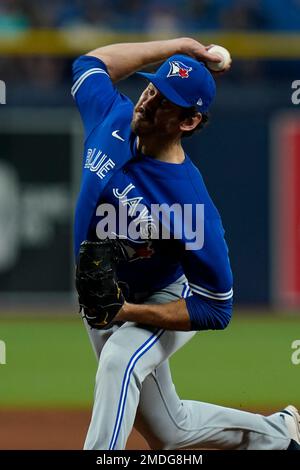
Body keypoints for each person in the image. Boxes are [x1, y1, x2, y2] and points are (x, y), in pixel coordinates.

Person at [72, 37, 300, 450]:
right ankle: (277, 434)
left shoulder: (191, 206)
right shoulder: (111, 116)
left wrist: (127, 311)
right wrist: (178, 46)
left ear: (188, 122)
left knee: (119, 361)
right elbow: (91, 62)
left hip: (160, 295)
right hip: (102, 293)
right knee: (170, 430)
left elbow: (217, 307)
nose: (149, 100)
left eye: (165, 101)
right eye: (152, 88)